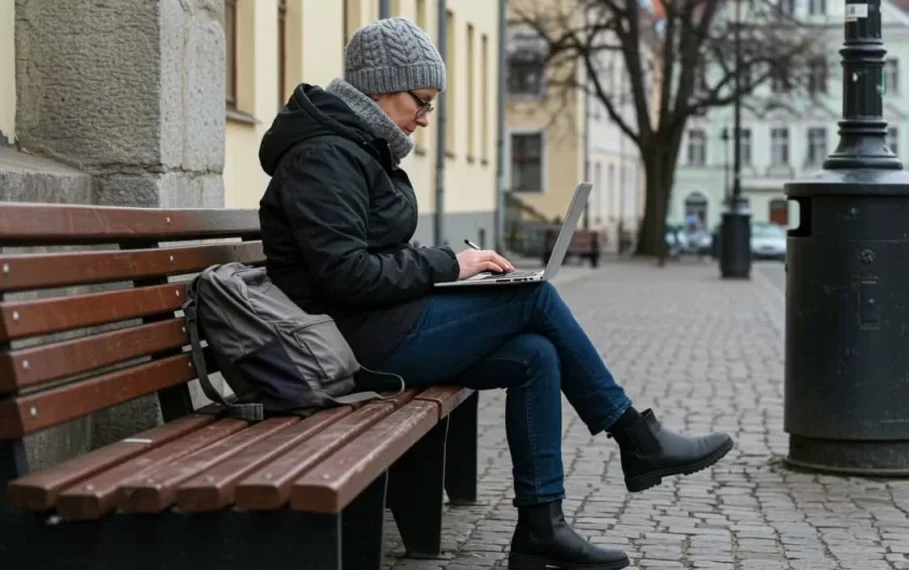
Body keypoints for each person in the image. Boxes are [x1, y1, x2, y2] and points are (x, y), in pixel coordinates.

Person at [257, 17, 733, 570]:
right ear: (382, 86)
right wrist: (450, 265)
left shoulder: (358, 145)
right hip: (347, 347)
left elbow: (368, 258)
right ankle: (635, 438)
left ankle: (541, 527)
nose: (426, 118)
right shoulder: (325, 155)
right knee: (533, 300)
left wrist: (451, 270)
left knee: (536, 354)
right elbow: (346, 275)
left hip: (374, 326)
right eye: (422, 100)